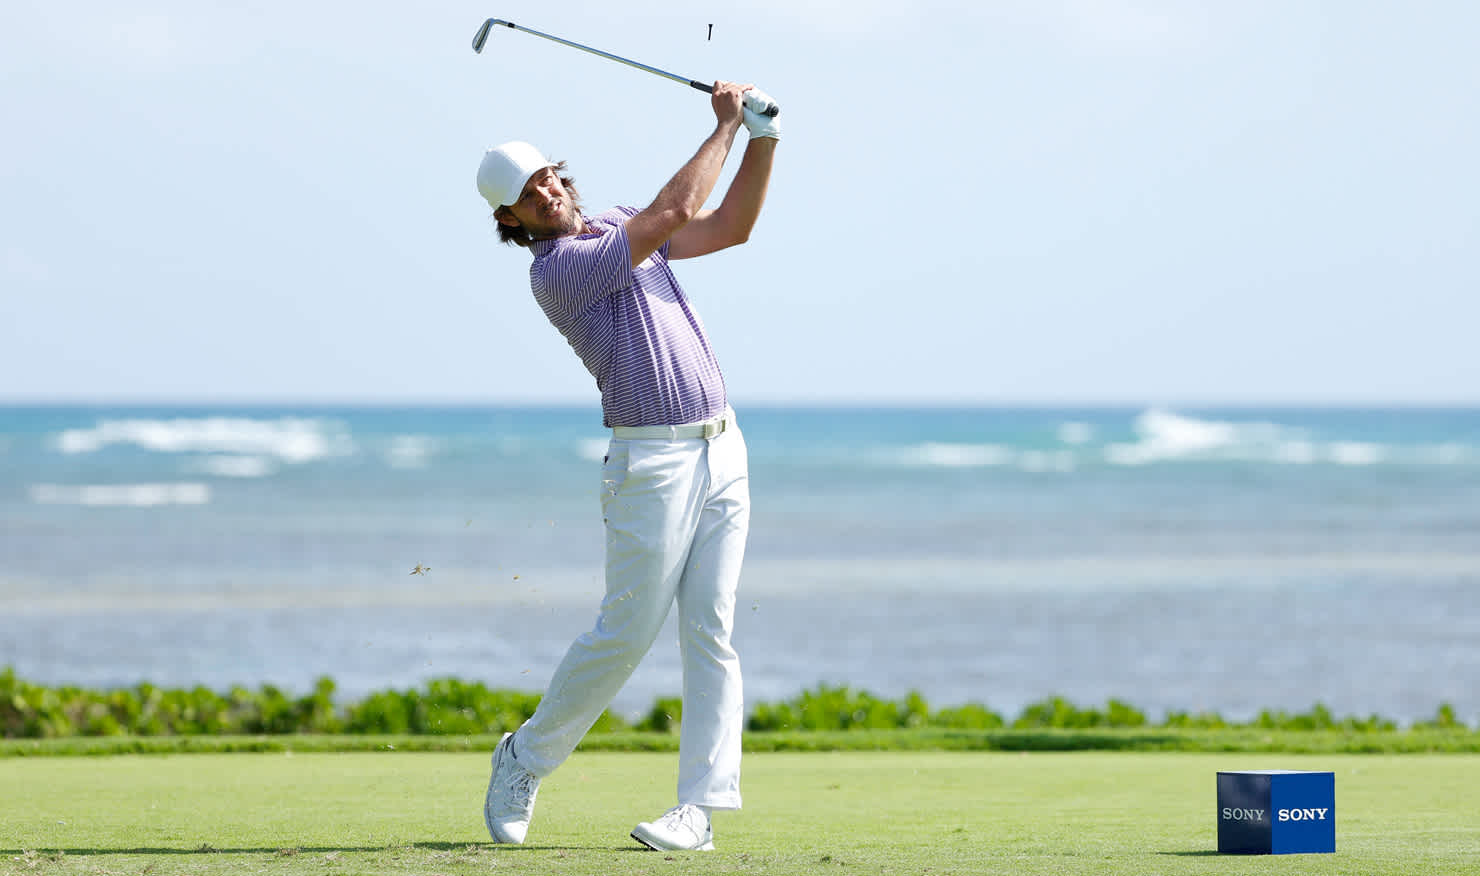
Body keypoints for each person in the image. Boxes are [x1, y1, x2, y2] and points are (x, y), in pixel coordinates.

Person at [474, 81, 779, 852]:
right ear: (510, 219)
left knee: (711, 628)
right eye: (524, 194)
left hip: (724, 448)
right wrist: (723, 127)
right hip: (653, 465)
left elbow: (732, 227)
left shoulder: (615, 223)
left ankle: (699, 811)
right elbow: (673, 213)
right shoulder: (557, 272)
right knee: (626, 634)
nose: (544, 191)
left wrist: (763, 140)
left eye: (545, 175)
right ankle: (525, 756)